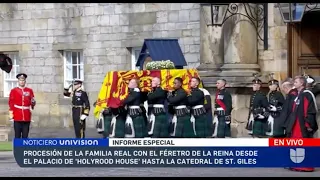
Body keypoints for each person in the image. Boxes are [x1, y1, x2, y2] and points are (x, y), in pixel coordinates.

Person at [286, 76, 318, 172]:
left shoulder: (307, 94)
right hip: (295, 125)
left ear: (301, 83)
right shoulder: (298, 94)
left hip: (302, 125)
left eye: (296, 82)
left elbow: (309, 111)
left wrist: (308, 125)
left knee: (303, 145)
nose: (294, 83)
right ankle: (296, 164)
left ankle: (306, 166)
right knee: (295, 144)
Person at [9, 73, 36, 138]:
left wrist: (33, 103)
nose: (22, 81)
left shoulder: (29, 90)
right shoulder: (14, 91)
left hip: (26, 116)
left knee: (25, 136)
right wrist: (11, 114)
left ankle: (24, 148)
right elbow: (11, 103)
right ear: (18, 81)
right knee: (17, 136)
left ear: (25, 81)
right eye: (20, 80)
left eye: (23, 80)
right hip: (17, 116)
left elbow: (32, 102)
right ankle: (17, 148)